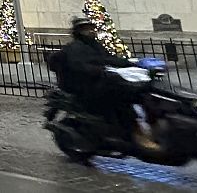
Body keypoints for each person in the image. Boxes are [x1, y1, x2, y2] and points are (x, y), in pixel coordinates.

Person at [55, 16, 151, 148]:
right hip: (85, 87)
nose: (90, 32)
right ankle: (132, 132)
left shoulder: (95, 46)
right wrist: (100, 70)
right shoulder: (75, 48)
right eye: (86, 29)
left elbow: (108, 59)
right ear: (78, 31)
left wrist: (131, 63)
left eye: (91, 28)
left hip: (96, 82)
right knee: (120, 99)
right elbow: (80, 66)